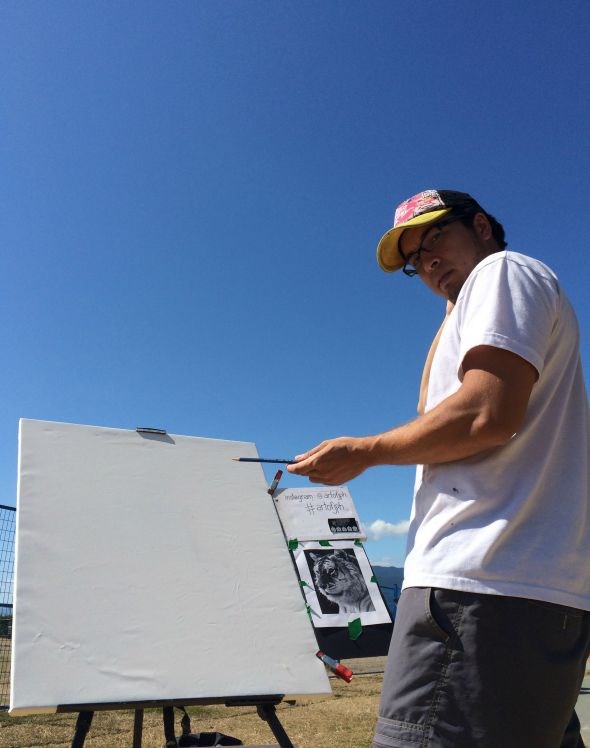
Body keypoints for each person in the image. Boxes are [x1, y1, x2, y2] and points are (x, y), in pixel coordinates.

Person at [287, 189, 590, 748]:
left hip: (477, 586)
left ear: (481, 226)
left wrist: (367, 451)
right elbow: (458, 412)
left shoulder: (501, 271)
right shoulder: (478, 302)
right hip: (519, 590)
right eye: (412, 262)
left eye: (434, 238)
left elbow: (484, 414)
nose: (425, 262)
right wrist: (450, 308)